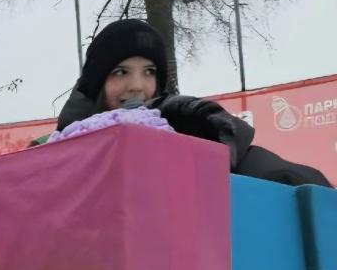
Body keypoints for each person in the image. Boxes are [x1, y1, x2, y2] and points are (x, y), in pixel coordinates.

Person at [55, 19, 331, 187]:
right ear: (95, 83)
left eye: (149, 71)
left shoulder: (187, 126)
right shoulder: (54, 151)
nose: (137, 85)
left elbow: (245, 162)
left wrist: (295, 185)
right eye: (120, 72)